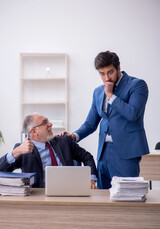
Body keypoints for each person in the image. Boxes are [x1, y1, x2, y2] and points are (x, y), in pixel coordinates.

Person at [61, 50, 149, 189]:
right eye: (102, 74)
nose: (106, 77)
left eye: (110, 72)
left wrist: (111, 96)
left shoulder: (137, 85)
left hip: (126, 153)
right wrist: (73, 136)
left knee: (126, 197)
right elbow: (90, 124)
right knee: (103, 198)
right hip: (103, 153)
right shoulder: (98, 92)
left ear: (118, 68)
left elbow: (133, 113)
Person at [0, 113, 97, 188]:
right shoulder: (23, 149)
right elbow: (1, 170)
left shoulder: (64, 141)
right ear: (34, 131)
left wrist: (91, 180)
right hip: (38, 198)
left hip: (69, 193)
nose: (50, 124)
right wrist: (16, 152)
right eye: (45, 122)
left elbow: (87, 157)